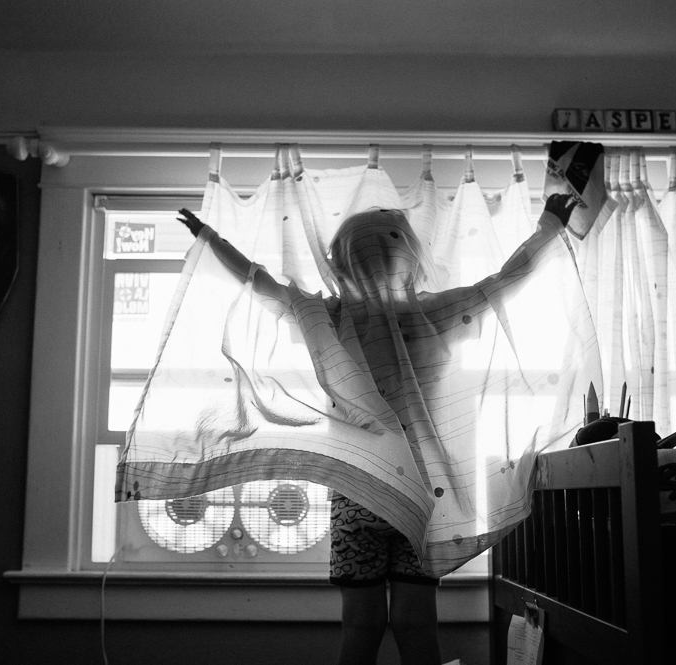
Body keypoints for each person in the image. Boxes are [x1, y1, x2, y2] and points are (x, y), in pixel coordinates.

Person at [177, 192, 578, 665]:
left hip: (357, 493)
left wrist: (209, 237)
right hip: (424, 496)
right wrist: (550, 225)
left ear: (341, 267)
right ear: (410, 261)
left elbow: (259, 284)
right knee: (416, 625)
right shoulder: (437, 314)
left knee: (360, 628)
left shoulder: (329, 318)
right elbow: (507, 280)